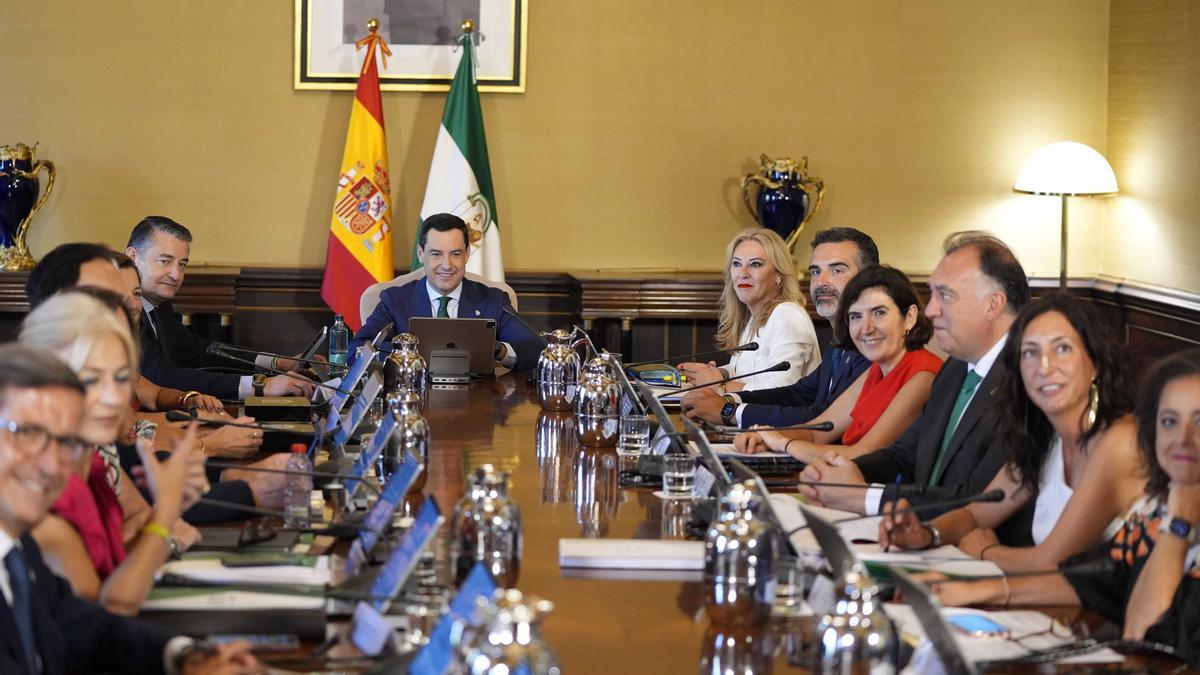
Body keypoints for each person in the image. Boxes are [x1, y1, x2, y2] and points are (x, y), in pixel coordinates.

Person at [929, 349, 1200, 668]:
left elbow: (1144, 640)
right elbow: (1093, 579)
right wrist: (972, 591)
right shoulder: (1158, 511)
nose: (1181, 439)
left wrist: (1180, 524)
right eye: (1169, 421)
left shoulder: (1176, 513)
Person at [0, 343, 257, 673]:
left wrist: (186, 658)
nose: (52, 464)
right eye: (29, 433)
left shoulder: (18, 547)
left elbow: (87, 630)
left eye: (66, 442)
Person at [879, 293, 1145, 572]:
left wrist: (987, 552)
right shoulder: (1043, 439)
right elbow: (976, 514)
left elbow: (1052, 562)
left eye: (1063, 349)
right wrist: (925, 533)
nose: (1044, 367)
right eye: (1030, 352)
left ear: (1095, 364)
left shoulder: (1118, 440)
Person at [799, 231, 1030, 517]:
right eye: (932, 294)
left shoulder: (1028, 382)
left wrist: (866, 497)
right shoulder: (955, 369)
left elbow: (977, 497)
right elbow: (906, 456)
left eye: (944, 295)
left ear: (993, 304)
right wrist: (837, 473)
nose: (931, 310)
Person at [20, 292, 210, 615]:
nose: (113, 397)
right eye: (91, 379)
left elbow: (117, 558)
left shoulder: (91, 460)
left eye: (121, 378)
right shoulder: (40, 490)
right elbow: (107, 614)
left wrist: (163, 514)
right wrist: (165, 518)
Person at [731, 265, 942, 463]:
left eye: (879, 313)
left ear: (910, 317)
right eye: (856, 316)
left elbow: (862, 454)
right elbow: (816, 432)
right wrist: (764, 434)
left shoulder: (922, 373)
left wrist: (783, 443)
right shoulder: (876, 369)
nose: (865, 328)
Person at [682, 227, 875, 428]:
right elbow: (797, 394)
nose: (821, 282)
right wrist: (728, 398)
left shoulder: (872, 349)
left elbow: (821, 416)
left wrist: (727, 406)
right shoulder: (839, 345)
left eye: (837, 270)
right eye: (816, 271)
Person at [125, 215, 315, 399]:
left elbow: (202, 351)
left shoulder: (158, 306)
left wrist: (278, 363)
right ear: (133, 256)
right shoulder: (122, 312)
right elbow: (164, 378)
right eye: (165, 261)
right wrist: (262, 385)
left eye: (182, 264)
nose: (176, 275)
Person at [353, 213, 544, 370]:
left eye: (455, 254)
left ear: (467, 254)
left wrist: (496, 349)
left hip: (477, 405)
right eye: (436, 254)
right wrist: (408, 353)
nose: (447, 265)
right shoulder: (395, 300)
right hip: (413, 402)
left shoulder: (492, 300)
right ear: (421, 254)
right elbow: (357, 350)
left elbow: (537, 351)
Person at [678, 228, 819, 392]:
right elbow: (745, 371)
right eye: (737, 264)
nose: (743, 273)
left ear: (779, 275)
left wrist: (718, 384)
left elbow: (782, 389)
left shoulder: (787, 315)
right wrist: (715, 373)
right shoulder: (755, 317)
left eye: (755, 264)